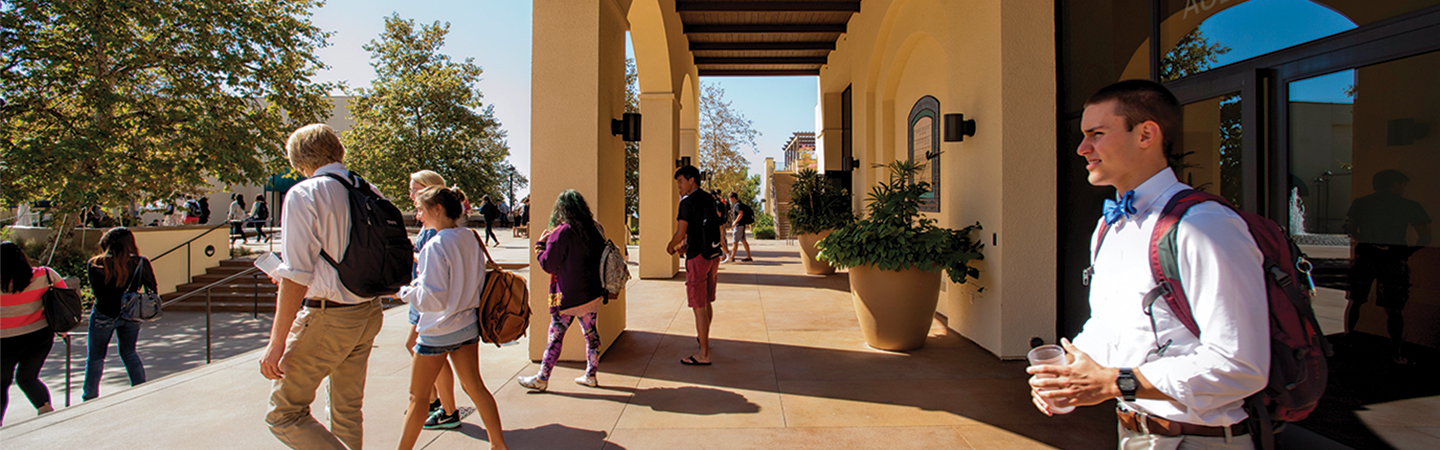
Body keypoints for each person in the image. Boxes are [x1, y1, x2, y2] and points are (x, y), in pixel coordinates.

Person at [1028, 80, 1269, 448]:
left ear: (1145, 135)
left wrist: (1114, 383)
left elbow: (1241, 365)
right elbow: (1110, 326)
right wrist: (1070, 374)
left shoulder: (1204, 225)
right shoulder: (1109, 226)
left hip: (1198, 440)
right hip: (1133, 434)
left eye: (1096, 134)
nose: (1082, 149)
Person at [260, 124, 386, 450]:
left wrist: (277, 343)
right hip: (368, 311)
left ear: (299, 160)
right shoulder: (369, 189)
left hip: (330, 317)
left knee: (283, 414)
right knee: (346, 409)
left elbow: (297, 275)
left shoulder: (305, 194)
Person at [397, 186, 507, 450]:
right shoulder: (469, 238)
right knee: (475, 387)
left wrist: (403, 293)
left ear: (438, 209)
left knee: (418, 398)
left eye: (421, 209)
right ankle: (498, 444)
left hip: (437, 330)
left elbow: (433, 298)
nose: (417, 214)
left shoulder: (435, 246)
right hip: (467, 326)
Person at [517, 189, 607, 392]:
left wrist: (540, 246)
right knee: (591, 334)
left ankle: (542, 378)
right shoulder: (595, 228)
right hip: (591, 293)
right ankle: (591, 375)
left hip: (565, 296)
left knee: (555, 336)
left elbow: (549, 264)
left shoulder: (562, 232)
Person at [1344, 169, 1431, 365]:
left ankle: (1349, 342)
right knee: (1394, 308)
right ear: (1395, 185)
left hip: (1365, 255)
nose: (1404, 188)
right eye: (1402, 184)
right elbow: (1426, 236)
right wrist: (1405, 252)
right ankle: (1396, 352)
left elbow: (1351, 230)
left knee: (1356, 301)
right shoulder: (1408, 206)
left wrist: (1368, 242)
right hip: (1393, 259)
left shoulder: (1361, 203)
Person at [404, 170, 463, 430]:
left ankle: (444, 407)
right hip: (430, 299)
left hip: (428, 298)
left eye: (415, 188)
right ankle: (437, 402)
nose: (411, 193)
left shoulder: (434, 231)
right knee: (431, 353)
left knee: (426, 351)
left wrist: (410, 254)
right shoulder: (443, 227)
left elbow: (432, 265)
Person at [84, 227, 154, 401]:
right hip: (131, 314)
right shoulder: (140, 262)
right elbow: (152, 288)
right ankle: (140, 387)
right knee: (129, 352)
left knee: (96, 357)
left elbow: (98, 293)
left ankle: (90, 396)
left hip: (104, 313)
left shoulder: (97, 263)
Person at [667, 165, 724, 366]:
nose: (679, 186)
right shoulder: (710, 198)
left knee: (698, 306)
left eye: (681, 182)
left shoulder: (687, 203)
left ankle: (703, 353)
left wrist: (670, 246)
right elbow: (710, 227)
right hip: (712, 255)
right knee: (707, 300)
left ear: (691, 180)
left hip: (697, 258)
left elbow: (680, 232)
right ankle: (704, 339)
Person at [1, 241, 62, 425]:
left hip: (4, 341)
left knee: (1, 383)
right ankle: (45, 410)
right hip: (39, 337)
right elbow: (63, 296)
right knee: (27, 377)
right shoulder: (45, 274)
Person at [727, 192, 754, 262]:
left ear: (733, 198)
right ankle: (748, 256)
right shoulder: (740, 204)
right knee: (744, 241)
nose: (730, 200)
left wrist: (734, 222)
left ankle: (732, 257)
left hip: (739, 225)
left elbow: (740, 214)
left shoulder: (737, 205)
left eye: (730, 198)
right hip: (742, 225)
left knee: (735, 242)